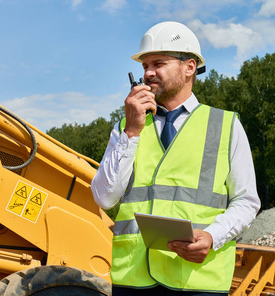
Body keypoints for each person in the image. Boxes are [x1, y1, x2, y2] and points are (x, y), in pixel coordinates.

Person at [91, 21, 261, 295]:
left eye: (158, 63)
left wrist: (212, 236)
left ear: (189, 67)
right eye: (144, 65)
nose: (148, 73)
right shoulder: (127, 127)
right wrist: (132, 131)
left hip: (196, 280)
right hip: (133, 281)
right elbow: (104, 197)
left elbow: (246, 201)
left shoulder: (225, 125)